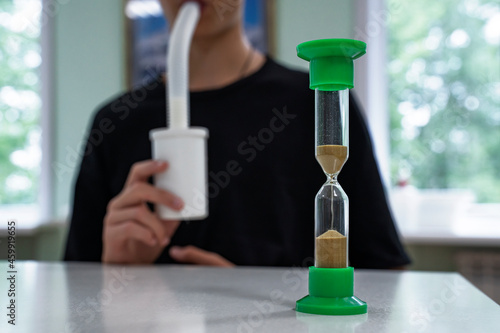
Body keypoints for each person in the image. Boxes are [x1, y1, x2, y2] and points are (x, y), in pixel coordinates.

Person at [64, 0, 410, 268]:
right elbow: (74, 290)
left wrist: (249, 301)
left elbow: (386, 271)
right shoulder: (114, 123)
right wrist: (117, 270)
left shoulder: (316, 103)